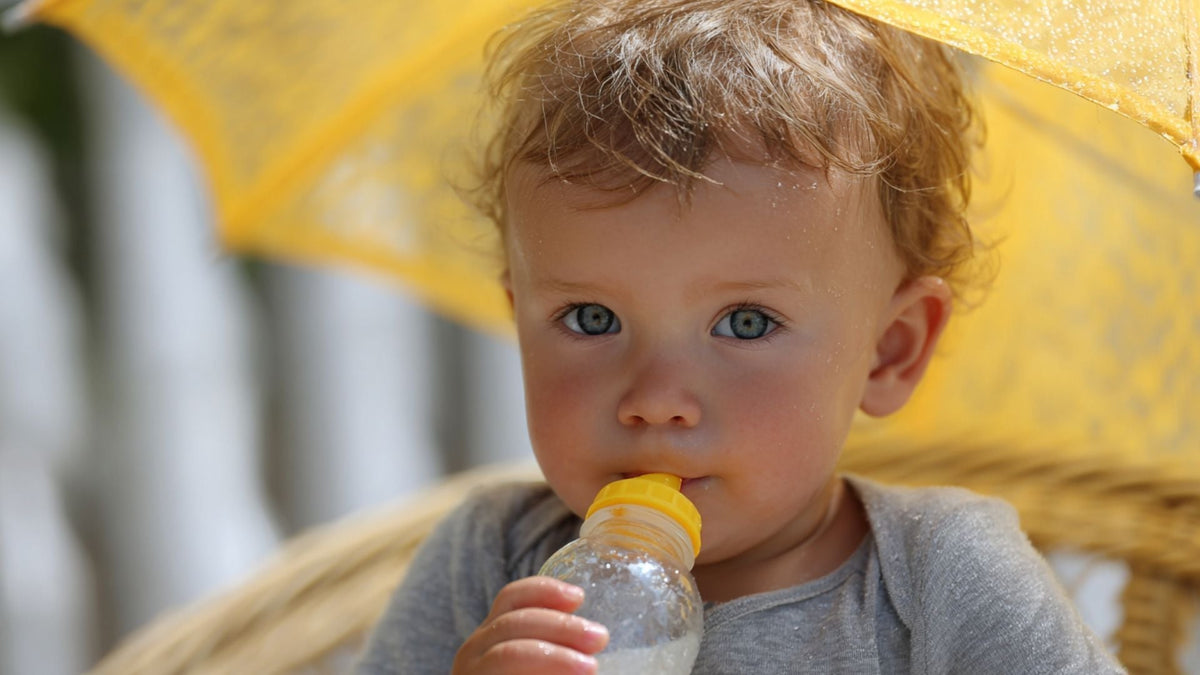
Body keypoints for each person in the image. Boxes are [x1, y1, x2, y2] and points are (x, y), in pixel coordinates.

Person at [357, 0, 1125, 672]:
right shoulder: (487, 559)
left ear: (890, 350)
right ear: (520, 316)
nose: (656, 401)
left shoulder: (941, 578)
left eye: (745, 323)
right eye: (592, 318)